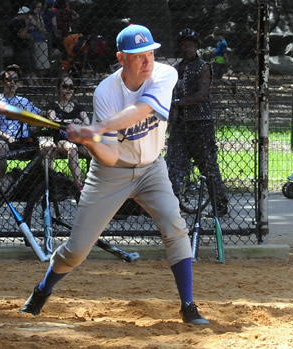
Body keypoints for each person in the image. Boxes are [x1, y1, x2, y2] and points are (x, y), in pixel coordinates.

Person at [19, 24, 209, 325]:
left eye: (150, 53)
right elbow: (109, 154)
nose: (147, 61)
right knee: (77, 250)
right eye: (138, 56)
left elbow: (144, 110)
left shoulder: (164, 74)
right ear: (121, 58)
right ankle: (42, 291)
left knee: (175, 226)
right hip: (111, 172)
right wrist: (90, 140)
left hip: (151, 168)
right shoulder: (106, 92)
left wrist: (98, 128)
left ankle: (188, 306)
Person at [166, 28, 229, 215]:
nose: (187, 48)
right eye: (183, 45)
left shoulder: (203, 66)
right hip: (180, 122)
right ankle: (171, 204)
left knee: (207, 163)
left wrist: (177, 103)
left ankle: (220, 203)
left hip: (200, 122)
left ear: (196, 46)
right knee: (173, 162)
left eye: (190, 45)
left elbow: (201, 95)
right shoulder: (177, 68)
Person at [0, 64, 43, 188]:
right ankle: (0, 186)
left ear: (19, 83)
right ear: (2, 82)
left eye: (15, 80)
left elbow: (40, 115)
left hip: (24, 141)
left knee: (46, 146)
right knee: (0, 145)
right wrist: (7, 137)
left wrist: (51, 112)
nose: (12, 83)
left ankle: (41, 187)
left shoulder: (24, 102)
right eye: (8, 79)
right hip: (4, 140)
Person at [45, 74, 90, 190]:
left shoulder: (78, 107)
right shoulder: (53, 105)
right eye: (65, 86)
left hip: (79, 140)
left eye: (71, 87)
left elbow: (87, 124)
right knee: (72, 147)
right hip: (62, 140)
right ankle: (79, 185)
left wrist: (63, 123)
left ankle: (95, 184)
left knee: (97, 150)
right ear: (58, 89)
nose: (68, 90)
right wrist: (73, 121)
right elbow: (52, 121)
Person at [8, 6, 37, 86]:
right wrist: (27, 25)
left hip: (25, 46)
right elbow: (22, 35)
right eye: (26, 14)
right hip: (20, 48)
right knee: (27, 68)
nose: (28, 16)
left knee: (32, 67)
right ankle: (32, 86)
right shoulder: (14, 22)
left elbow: (28, 35)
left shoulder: (22, 22)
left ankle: (37, 85)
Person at [210, 27, 236, 93]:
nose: (214, 38)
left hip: (218, 61)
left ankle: (213, 89)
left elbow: (224, 53)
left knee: (214, 76)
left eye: (215, 36)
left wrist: (226, 61)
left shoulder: (223, 43)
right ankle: (230, 84)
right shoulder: (220, 42)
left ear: (218, 35)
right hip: (216, 60)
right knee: (217, 77)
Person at [28, 1, 50, 77]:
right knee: (38, 63)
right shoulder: (30, 16)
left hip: (42, 39)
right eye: (38, 7)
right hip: (35, 40)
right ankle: (38, 79)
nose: (39, 9)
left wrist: (37, 28)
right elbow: (39, 26)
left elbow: (43, 28)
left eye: (40, 7)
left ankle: (41, 79)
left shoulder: (40, 16)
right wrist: (37, 17)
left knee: (44, 64)